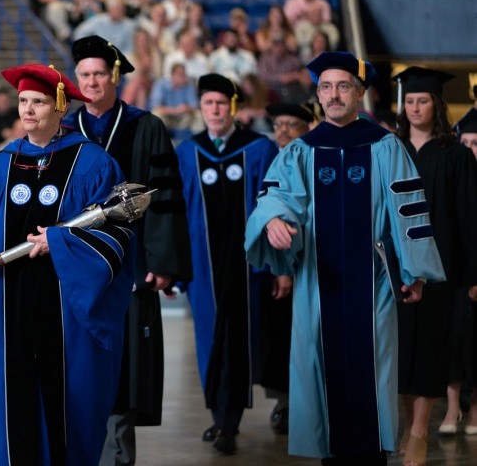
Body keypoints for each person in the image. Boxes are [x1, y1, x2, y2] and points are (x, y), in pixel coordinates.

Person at [244, 52, 446, 465]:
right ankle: (330, 455)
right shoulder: (301, 150)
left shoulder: (385, 146)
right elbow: (275, 196)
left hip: (374, 283)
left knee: (375, 370)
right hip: (319, 282)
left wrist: (416, 272)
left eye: (343, 86)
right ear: (317, 94)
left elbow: (408, 208)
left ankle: (372, 455)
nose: (334, 95)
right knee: (320, 369)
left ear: (359, 92)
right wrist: (273, 221)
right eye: (326, 87)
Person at [0, 63, 135, 466]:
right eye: (23, 101)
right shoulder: (2, 165)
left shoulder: (92, 163)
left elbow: (117, 237)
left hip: (66, 308)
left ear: (61, 106)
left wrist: (62, 242)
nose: (28, 110)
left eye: (39, 102)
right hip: (9, 308)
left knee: (68, 405)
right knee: (10, 410)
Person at [64, 36, 193, 465]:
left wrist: (161, 264)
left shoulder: (145, 126)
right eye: (85, 74)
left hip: (130, 266)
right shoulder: (66, 132)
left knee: (125, 365)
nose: (93, 81)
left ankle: (117, 458)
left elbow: (164, 197)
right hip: (76, 267)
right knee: (77, 360)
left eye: (100, 73)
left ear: (115, 77)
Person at [174, 73, 279, 455]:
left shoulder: (259, 148)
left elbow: (274, 210)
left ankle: (228, 421)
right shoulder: (188, 152)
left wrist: (277, 266)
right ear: (200, 108)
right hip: (202, 268)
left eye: (221, 103)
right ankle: (219, 416)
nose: (214, 110)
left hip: (248, 267)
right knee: (208, 340)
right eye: (208, 104)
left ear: (233, 106)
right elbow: (177, 214)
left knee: (239, 340)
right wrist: (174, 267)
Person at [392, 67, 477, 465]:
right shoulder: (391, 151)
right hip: (396, 271)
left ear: (437, 105)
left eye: (422, 100)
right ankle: (409, 426)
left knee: (429, 350)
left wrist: (474, 272)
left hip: (440, 273)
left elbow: (470, 217)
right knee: (403, 352)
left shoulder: (455, 155)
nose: (414, 107)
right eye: (409, 100)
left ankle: (420, 431)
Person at [257, 102, 315, 434]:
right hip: (277, 265)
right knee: (280, 338)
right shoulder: (270, 158)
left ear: (307, 127)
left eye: (291, 123)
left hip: (308, 262)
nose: (282, 129)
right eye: (278, 123)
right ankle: (285, 403)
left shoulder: (311, 159)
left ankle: (305, 405)